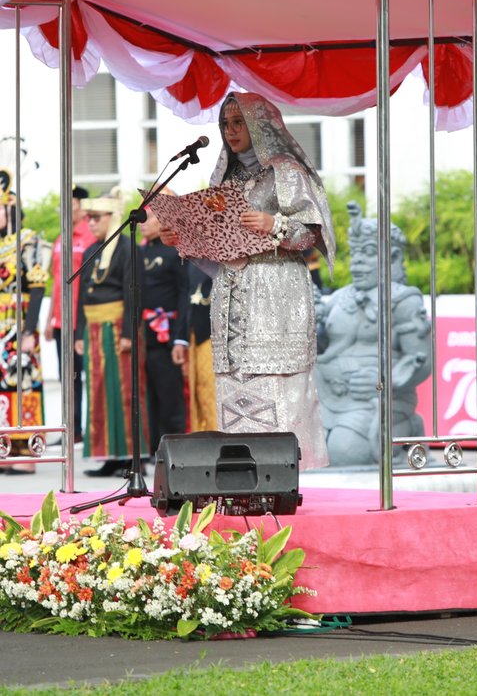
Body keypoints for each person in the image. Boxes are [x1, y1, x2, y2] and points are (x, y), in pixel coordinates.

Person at [159, 92, 335, 470]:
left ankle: (285, 473)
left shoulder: (286, 172)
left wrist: (276, 224)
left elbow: (310, 236)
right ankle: (243, 475)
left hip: (277, 292)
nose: (231, 131)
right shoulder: (224, 177)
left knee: (276, 383)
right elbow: (220, 248)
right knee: (236, 385)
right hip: (232, 293)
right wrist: (184, 240)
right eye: (226, 123)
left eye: (239, 122)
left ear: (260, 124)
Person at [315, 201, 431, 466]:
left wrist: (383, 379)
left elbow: (422, 362)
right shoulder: (338, 298)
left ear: (393, 258)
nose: (357, 261)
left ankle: (409, 426)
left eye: (368, 253)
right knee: (305, 450)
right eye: (354, 253)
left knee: (345, 451)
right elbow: (321, 346)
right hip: (330, 399)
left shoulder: (404, 301)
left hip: (377, 401)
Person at [74, 188, 149, 477]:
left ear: (111, 217)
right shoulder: (91, 250)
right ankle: (109, 456)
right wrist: (80, 332)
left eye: (96, 217)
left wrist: (130, 332)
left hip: (119, 327)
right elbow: (82, 294)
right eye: (89, 218)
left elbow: (134, 291)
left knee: (125, 390)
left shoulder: (128, 248)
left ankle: (134, 458)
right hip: (93, 329)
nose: (91, 222)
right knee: (98, 392)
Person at [0, 171, 51, 474]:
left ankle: (24, 451)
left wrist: (30, 330)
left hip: (19, 324)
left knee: (22, 384)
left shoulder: (27, 241)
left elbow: (39, 285)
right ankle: (3, 448)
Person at [44, 185, 95, 443]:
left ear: (81, 206)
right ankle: (70, 429)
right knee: (67, 378)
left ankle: (87, 430)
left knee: (84, 375)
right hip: (60, 319)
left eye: (72, 203)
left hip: (81, 319)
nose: (68, 208)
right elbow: (55, 281)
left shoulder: (90, 236)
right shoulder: (59, 239)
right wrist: (48, 320)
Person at [139, 205, 189, 459]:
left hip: (167, 334)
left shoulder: (175, 251)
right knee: (149, 396)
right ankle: (152, 451)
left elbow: (184, 293)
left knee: (169, 394)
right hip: (143, 335)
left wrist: (180, 335)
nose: (143, 224)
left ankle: (175, 451)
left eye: (149, 218)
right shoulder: (139, 251)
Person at [183, 264, 217, 432]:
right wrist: (181, 338)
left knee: (213, 388)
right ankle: (202, 435)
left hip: (217, 334)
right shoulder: (191, 260)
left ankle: (218, 433)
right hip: (195, 332)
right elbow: (185, 294)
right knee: (198, 387)